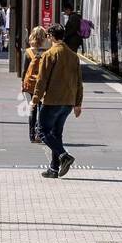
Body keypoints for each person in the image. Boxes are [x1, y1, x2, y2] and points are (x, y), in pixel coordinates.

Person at [32, 22, 83, 178]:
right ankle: (54, 169)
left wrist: (35, 98)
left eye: (48, 36)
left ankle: (64, 155)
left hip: (52, 101)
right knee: (56, 134)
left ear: (51, 36)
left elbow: (42, 79)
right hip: (68, 102)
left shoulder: (49, 55)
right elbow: (79, 81)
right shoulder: (73, 56)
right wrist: (78, 103)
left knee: (42, 131)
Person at [21, 26, 50, 144]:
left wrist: (23, 84)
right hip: (43, 84)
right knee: (42, 109)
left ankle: (32, 136)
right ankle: (39, 133)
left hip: (30, 85)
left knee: (32, 109)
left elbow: (24, 71)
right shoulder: (48, 52)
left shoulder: (28, 52)